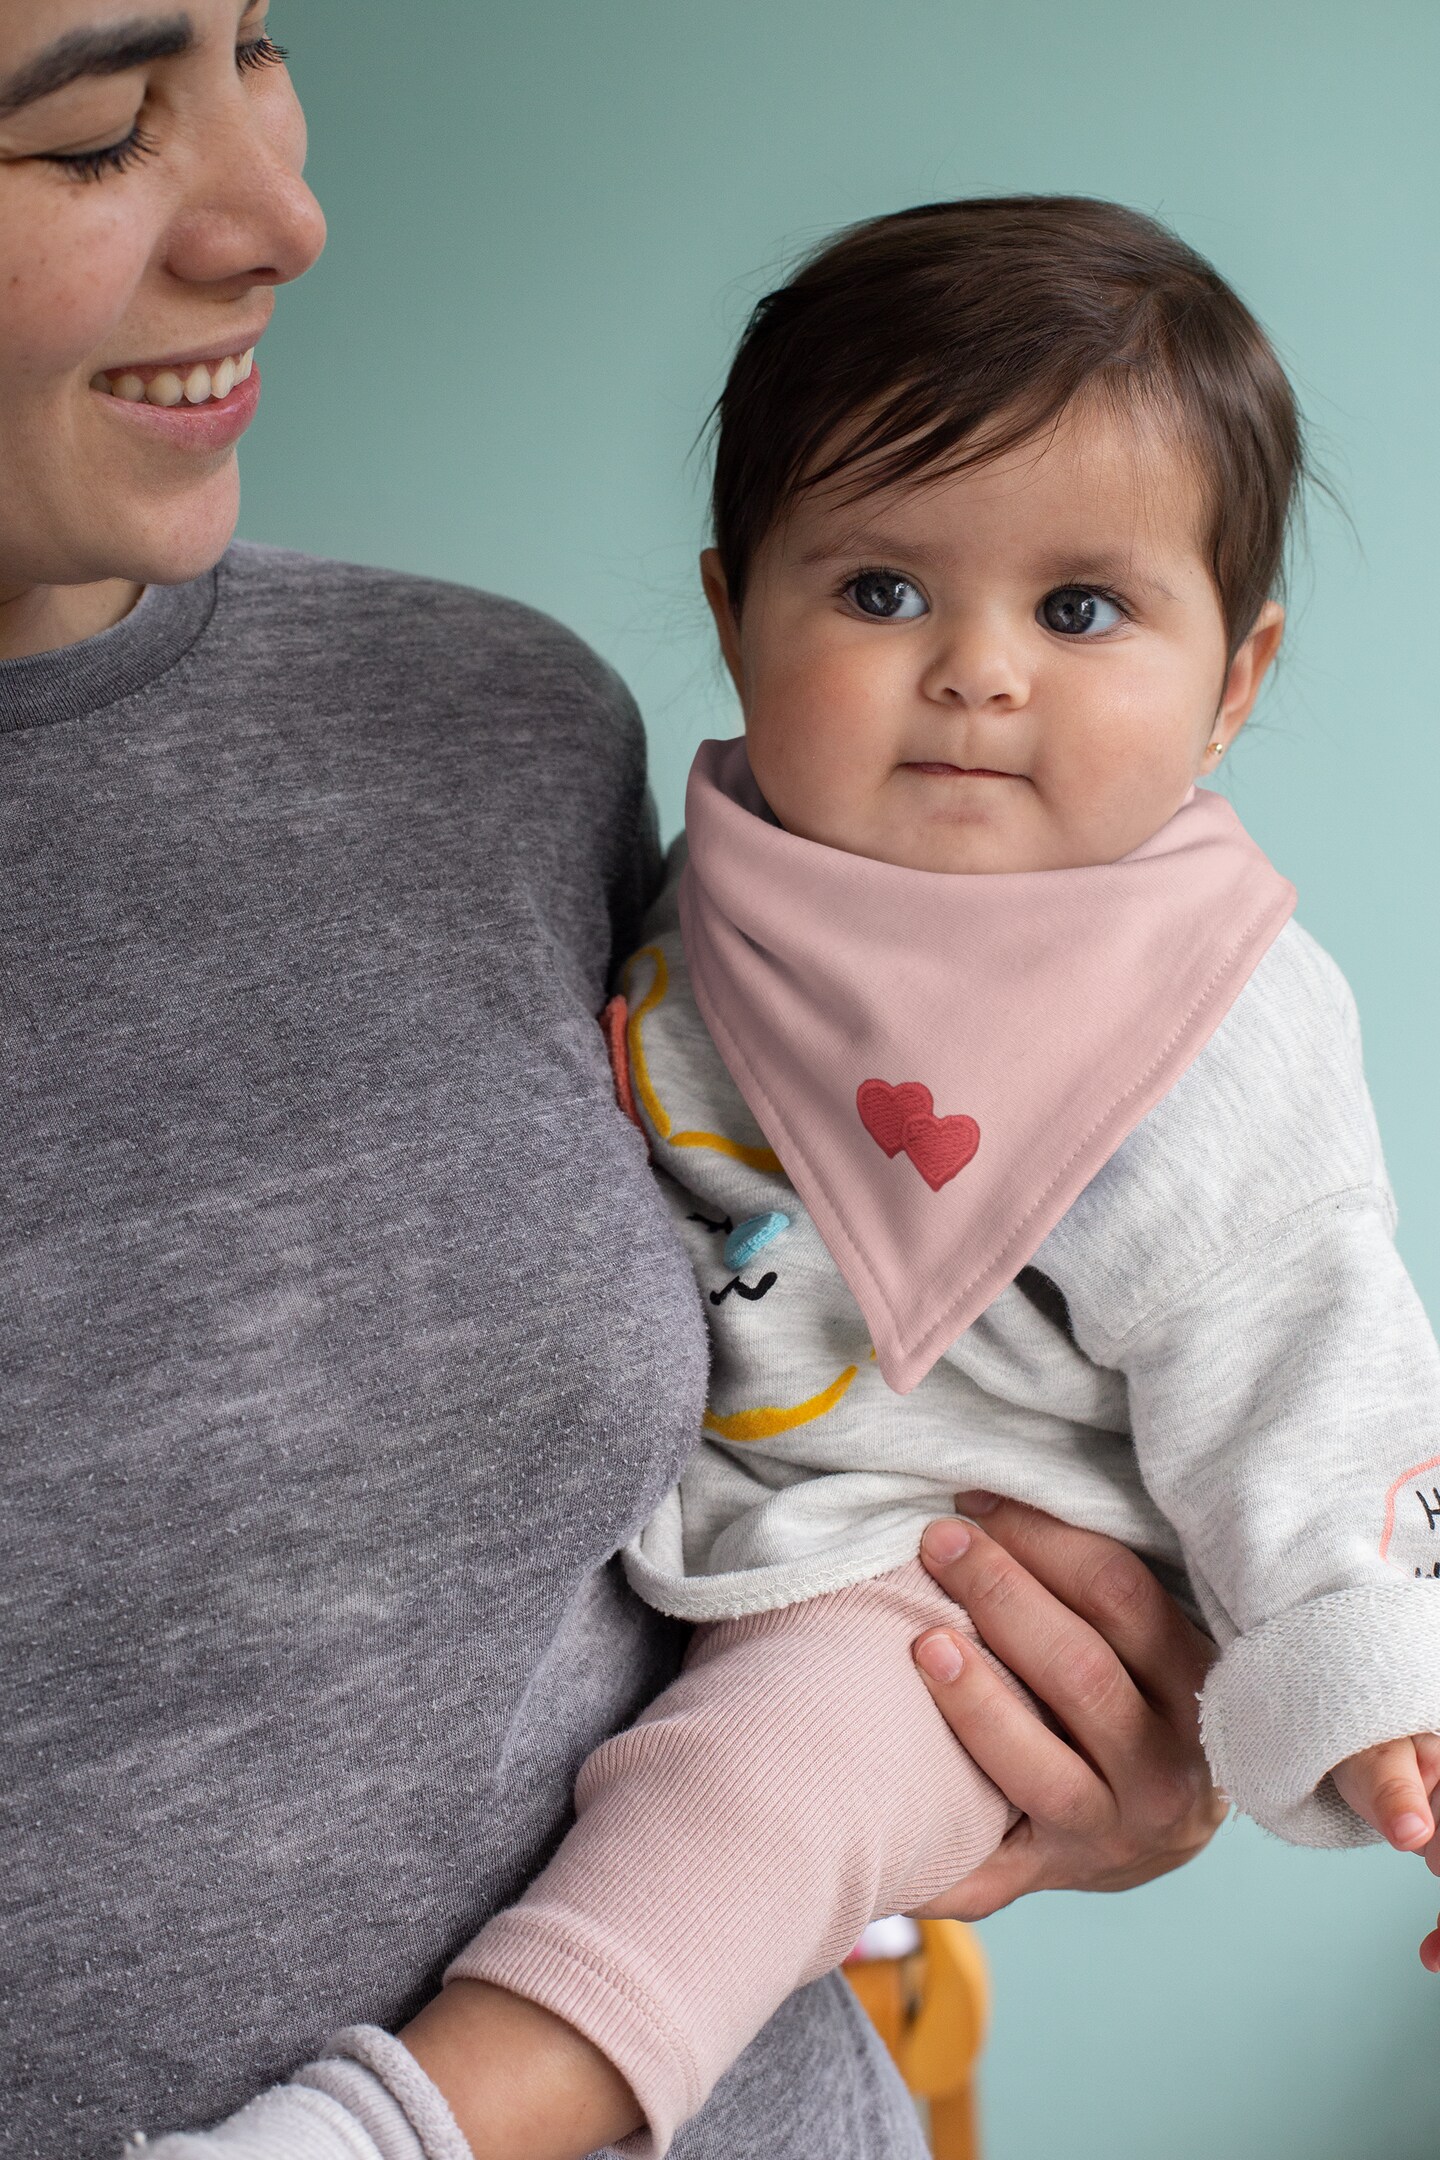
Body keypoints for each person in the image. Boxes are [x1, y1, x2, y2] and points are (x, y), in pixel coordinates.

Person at [1, 17, 1233, 2160]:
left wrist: (1112, 1718)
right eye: (94, 131)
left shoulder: (494, 730)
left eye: (261, 44)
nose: (286, 218)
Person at [174, 199, 1440, 2160]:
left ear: (1242, 675)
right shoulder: (724, 897)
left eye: (1081, 610)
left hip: (934, 1581)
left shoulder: (1206, 1011)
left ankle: (399, 2128)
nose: (975, 675)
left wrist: (1378, 1699)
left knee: (752, 1790)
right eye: (876, 592)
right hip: (698, 1543)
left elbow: (1304, 1352)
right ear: (733, 606)